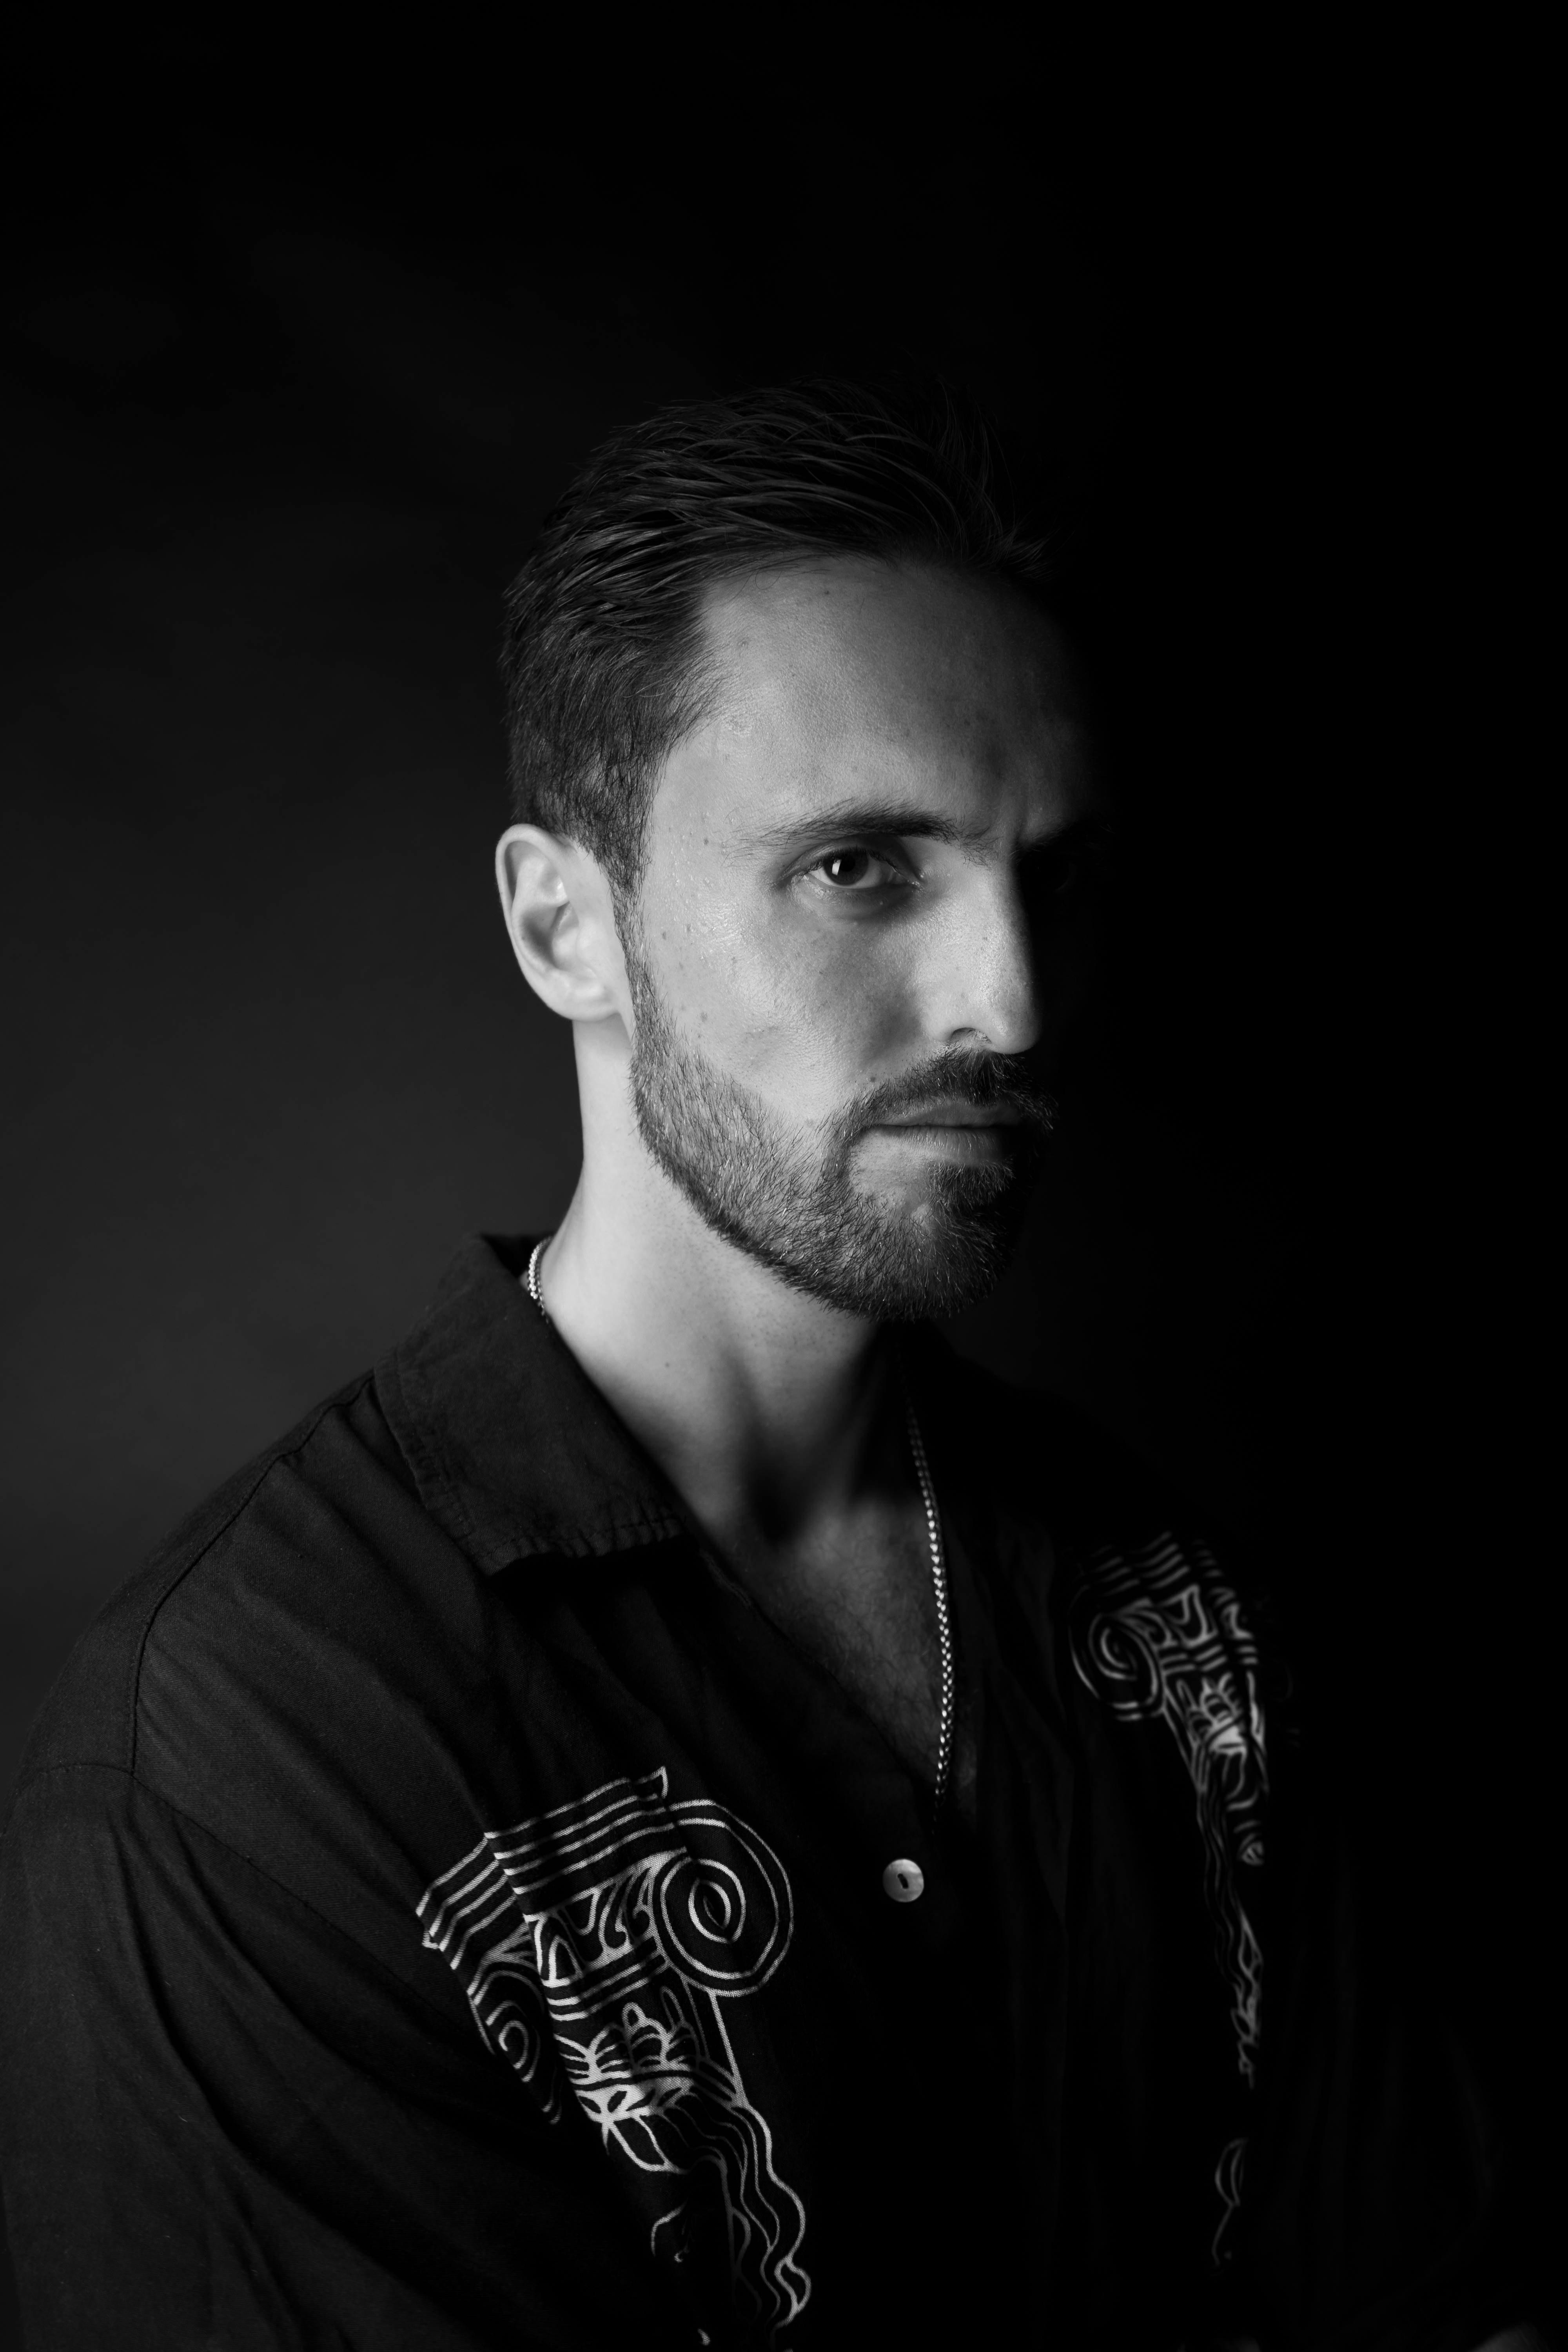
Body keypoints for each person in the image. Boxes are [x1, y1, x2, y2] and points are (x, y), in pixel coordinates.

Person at [0, 382, 1544, 2350]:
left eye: (1053, 876)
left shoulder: (1169, 1611)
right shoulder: (250, 1756)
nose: (1010, 1001)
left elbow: (1443, 2304)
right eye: (858, 868)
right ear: (567, 925)